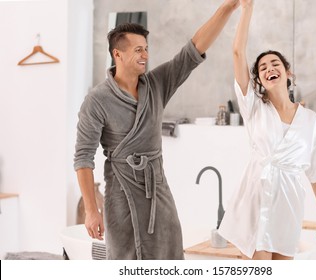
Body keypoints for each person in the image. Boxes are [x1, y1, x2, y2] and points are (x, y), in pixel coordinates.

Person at [74, 0, 240, 260]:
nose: (146, 55)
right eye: (139, 49)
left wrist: (227, 8)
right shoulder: (96, 100)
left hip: (159, 197)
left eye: (147, 49)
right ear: (117, 54)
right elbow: (83, 159)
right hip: (122, 199)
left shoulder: (157, 85)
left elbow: (192, 51)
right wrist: (92, 210)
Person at [218, 0, 316, 260]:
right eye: (263, 67)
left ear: (288, 73)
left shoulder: (310, 120)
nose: (269, 68)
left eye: (275, 64)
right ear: (259, 80)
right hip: (258, 198)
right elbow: (237, 52)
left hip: (289, 204)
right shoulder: (254, 107)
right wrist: (247, 9)